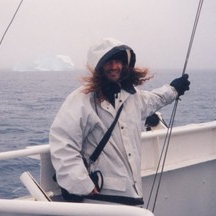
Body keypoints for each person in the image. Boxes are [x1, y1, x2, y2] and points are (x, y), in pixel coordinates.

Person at [49, 37, 190, 205]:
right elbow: (63, 141)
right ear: (98, 66)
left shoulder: (131, 96)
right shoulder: (82, 99)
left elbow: (154, 99)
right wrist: (80, 183)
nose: (115, 66)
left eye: (118, 61)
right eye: (109, 62)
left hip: (132, 195)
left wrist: (173, 89)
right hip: (100, 198)